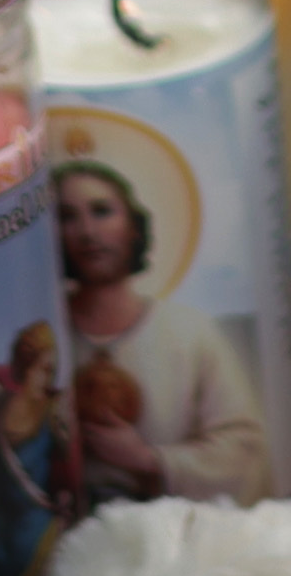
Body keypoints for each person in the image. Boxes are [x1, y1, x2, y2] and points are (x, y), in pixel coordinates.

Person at [52, 154, 271, 504]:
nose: (87, 232)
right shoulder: (45, 338)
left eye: (102, 211)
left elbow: (244, 448)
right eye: (67, 217)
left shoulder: (189, 332)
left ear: (133, 227)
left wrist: (148, 460)